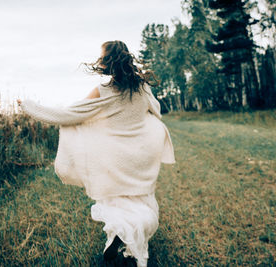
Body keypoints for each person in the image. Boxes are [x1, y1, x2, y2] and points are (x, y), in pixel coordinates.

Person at [17, 40, 175, 267]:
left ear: (106, 62)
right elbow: (156, 111)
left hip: (113, 158)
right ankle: (129, 244)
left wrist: (29, 106)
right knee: (140, 199)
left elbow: (68, 114)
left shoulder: (102, 91)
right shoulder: (142, 88)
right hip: (139, 157)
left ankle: (118, 234)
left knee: (115, 201)